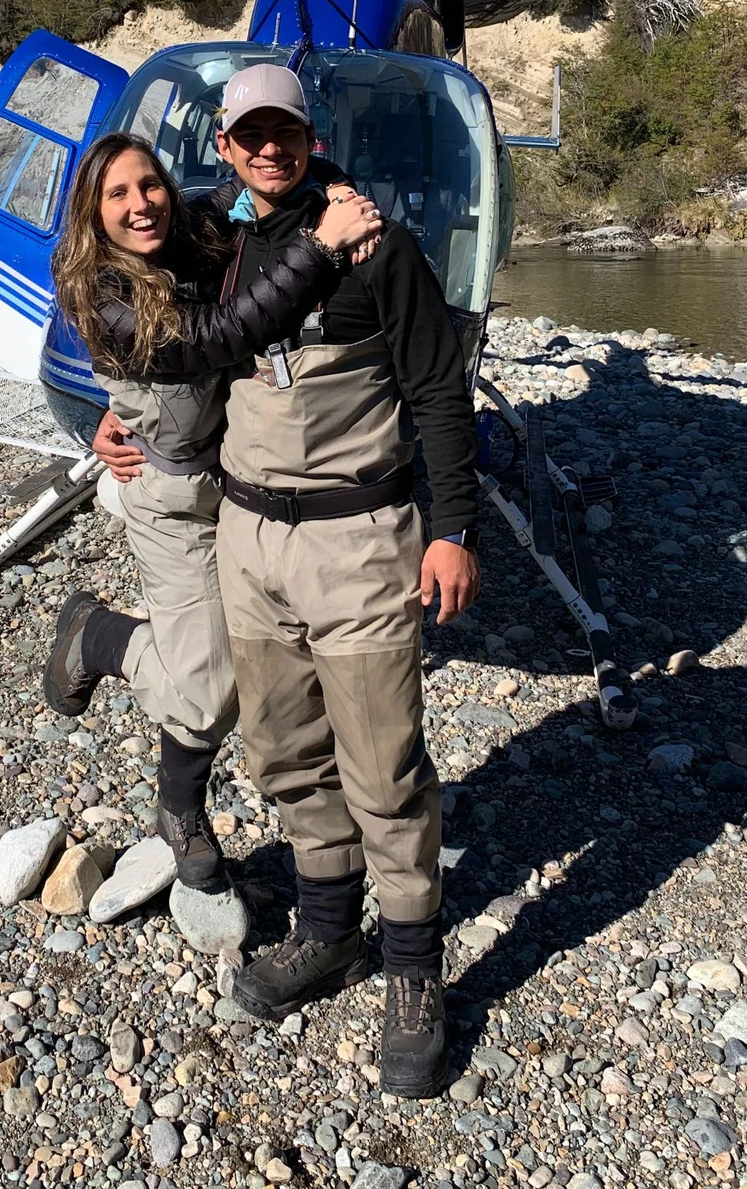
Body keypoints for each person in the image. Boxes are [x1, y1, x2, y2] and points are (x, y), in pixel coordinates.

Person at [95, 63, 480, 1099]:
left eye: (287, 133)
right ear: (224, 148)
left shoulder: (377, 243)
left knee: (384, 765)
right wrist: (119, 423)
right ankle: (327, 932)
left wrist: (453, 530)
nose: (270, 150)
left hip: (359, 536)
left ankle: (414, 970)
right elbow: (162, 347)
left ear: (312, 136)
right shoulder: (214, 248)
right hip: (247, 535)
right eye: (250, 136)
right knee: (284, 752)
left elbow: (440, 390)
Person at [46, 131, 381, 891]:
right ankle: (100, 643)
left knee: (262, 658)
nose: (141, 205)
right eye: (118, 195)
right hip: (170, 501)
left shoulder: (194, 228)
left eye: (149, 185)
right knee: (209, 687)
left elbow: (268, 175)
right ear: (92, 214)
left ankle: (247, 801)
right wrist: (321, 249)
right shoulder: (103, 294)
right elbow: (218, 337)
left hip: (237, 481)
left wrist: (333, 188)